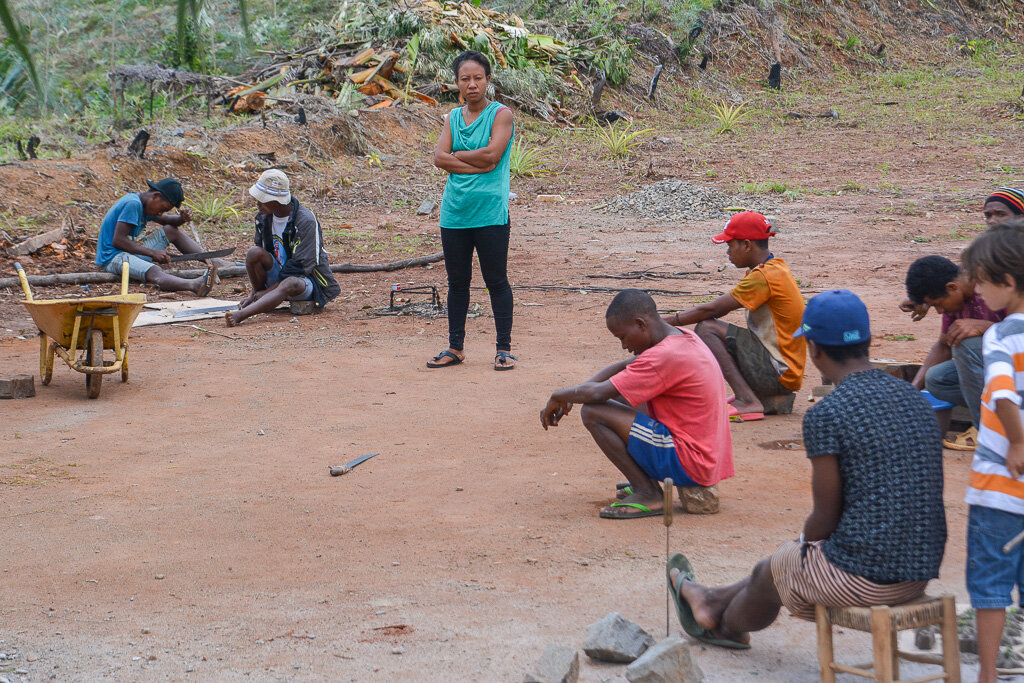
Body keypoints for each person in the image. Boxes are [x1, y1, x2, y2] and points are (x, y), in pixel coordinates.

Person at [666, 290, 946, 650]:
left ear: (813, 349)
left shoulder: (827, 414)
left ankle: (722, 626)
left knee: (775, 568)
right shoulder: (914, 399)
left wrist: (800, 548)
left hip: (865, 578)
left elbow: (823, 520)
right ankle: (710, 599)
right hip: (918, 572)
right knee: (781, 561)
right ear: (869, 340)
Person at [540, 289, 734, 519]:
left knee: (594, 411)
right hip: (705, 456)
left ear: (640, 324)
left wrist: (559, 395)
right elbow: (623, 367)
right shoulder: (679, 338)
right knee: (622, 393)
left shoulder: (664, 356)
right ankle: (646, 483)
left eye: (622, 337)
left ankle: (648, 492)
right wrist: (572, 394)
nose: (623, 345)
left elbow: (598, 394)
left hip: (691, 462)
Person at [958, 218, 1024, 683]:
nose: (977, 290)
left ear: (1008, 282)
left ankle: (986, 675)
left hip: (998, 489)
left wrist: (1017, 441)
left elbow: (1001, 392)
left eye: (982, 280)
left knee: (990, 587)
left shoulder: (999, 335)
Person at [664, 211, 805, 422]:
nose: (728, 252)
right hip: (785, 372)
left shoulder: (764, 276)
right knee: (717, 330)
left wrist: (663, 322)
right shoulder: (775, 269)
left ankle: (747, 399)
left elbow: (712, 310)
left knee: (707, 328)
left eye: (730, 245)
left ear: (747, 245)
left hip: (779, 372)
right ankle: (754, 396)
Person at [426, 50, 516, 371]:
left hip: (490, 213)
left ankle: (503, 348)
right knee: (457, 283)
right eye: (465, 79)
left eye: (478, 78)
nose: (472, 84)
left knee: (496, 280)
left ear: (488, 80)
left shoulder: (501, 115)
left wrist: (459, 157)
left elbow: (493, 155)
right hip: (455, 214)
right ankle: (455, 347)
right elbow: (439, 158)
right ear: (457, 83)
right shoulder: (452, 117)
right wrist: (475, 162)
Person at [903, 255, 1005, 448]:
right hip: (1003, 372)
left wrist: (987, 326)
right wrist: (913, 388)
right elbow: (943, 345)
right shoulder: (956, 299)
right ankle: (1004, 420)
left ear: (952, 287)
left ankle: (986, 430)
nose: (940, 312)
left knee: (965, 345)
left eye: (938, 304)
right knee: (936, 379)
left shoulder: (998, 284)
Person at [225, 169, 340, 327]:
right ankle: (261, 299)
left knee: (290, 281)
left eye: (262, 199)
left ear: (277, 201)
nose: (258, 203)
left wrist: (267, 291)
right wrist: (255, 293)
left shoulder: (305, 220)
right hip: (278, 277)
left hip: (306, 282)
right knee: (254, 253)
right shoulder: (264, 217)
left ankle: (243, 314)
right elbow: (261, 251)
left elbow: (302, 267)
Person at [899, 187, 1024, 322]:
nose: (992, 221)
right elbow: (967, 269)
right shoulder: (992, 248)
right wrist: (929, 294)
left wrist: (986, 327)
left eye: (1001, 214)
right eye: (988, 215)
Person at [94, 177, 216, 294]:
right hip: (112, 257)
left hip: (128, 251)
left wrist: (181, 219)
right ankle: (194, 285)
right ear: (156, 196)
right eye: (163, 208)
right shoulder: (133, 204)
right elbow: (118, 241)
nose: (160, 213)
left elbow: (167, 220)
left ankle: (212, 261)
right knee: (154, 270)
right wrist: (152, 253)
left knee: (171, 231)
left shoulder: (144, 205)